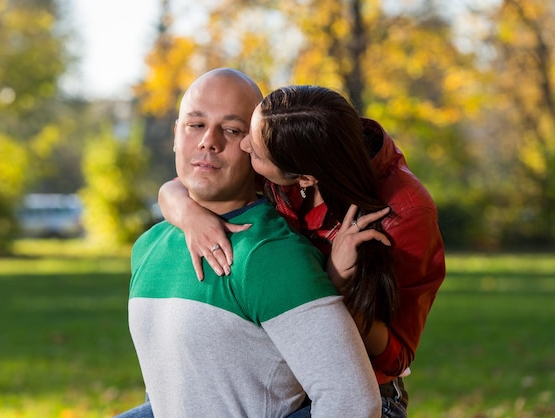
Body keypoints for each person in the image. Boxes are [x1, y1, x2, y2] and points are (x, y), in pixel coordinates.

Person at [158, 85, 446, 417]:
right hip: (279, 386)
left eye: (255, 152)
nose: (244, 145)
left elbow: (396, 356)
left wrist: (337, 285)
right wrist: (187, 213)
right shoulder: (285, 131)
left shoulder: (405, 213)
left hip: (359, 395)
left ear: (305, 178)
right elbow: (190, 178)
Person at [116, 69, 381, 417]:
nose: (208, 141)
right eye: (196, 124)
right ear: (176, 135)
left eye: (231, 129)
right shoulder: (149, 246)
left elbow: (352, 402)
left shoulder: (270, 254)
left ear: (255, 146)